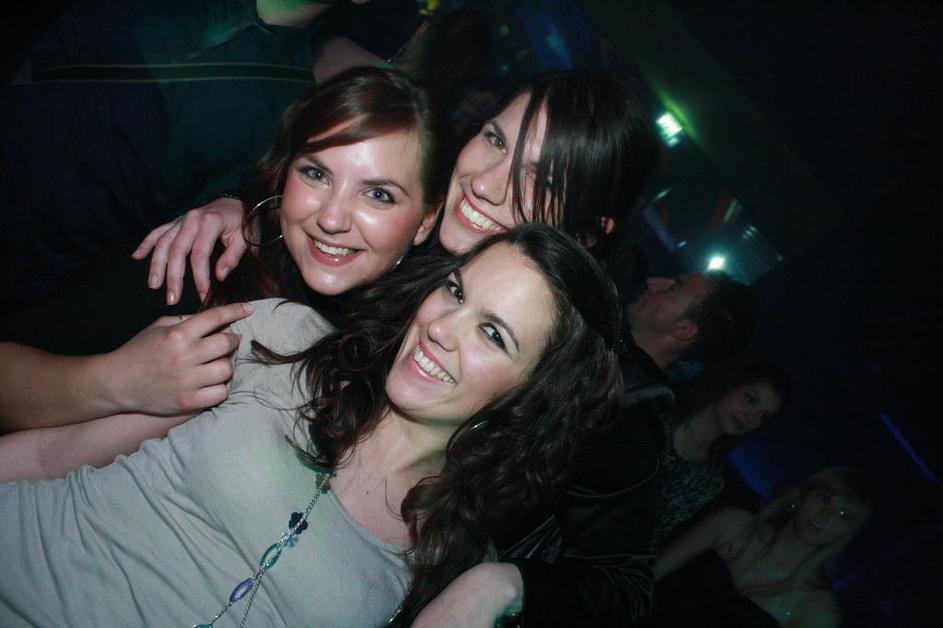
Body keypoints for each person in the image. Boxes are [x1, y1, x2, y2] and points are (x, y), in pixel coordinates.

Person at [0, 225, 624, 627]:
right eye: (455, 292)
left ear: (532, 397)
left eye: (492, 333)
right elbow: (60, 453)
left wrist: (497, 586)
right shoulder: (288, 343)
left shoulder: (450, 561)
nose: (440, 327)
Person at [0, 66, 446, 432]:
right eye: (316, 174)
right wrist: (115, 382)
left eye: (378, 195)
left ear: (426, 220)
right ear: (285, 170)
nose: (332, 218)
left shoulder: (419, 353)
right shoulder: (208, 262)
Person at [649, 467, 872, 628]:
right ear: (800, 498)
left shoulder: (817, 608)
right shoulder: (732, 526)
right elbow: (648, 576)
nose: (825, 515)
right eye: (823, 498)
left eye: (843, 514)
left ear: (847, 532)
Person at [653, 362, 790, 547]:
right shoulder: (657, 410)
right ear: (730, 385)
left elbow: (657, 533)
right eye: (750, 399)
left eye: (763, 416)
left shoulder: (710, 480)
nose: (751, 417)